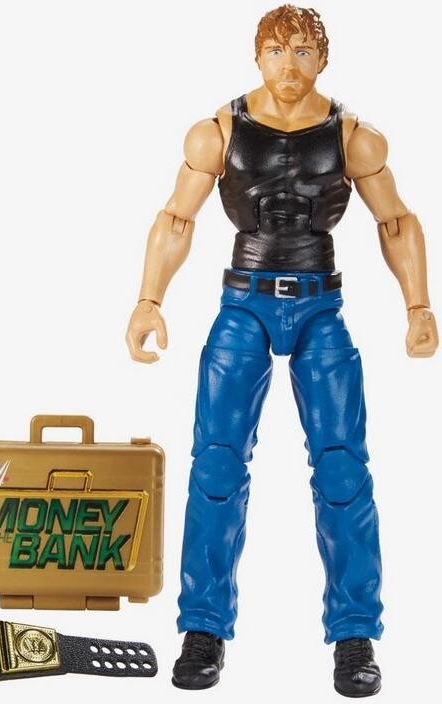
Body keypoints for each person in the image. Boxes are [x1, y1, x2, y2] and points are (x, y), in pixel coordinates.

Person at [125, 4, 438, 698]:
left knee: (342, 470)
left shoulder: (354, 138)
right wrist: (150, 299)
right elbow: (176, 217)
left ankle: (354, 635)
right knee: (216, 465)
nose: (288, 64)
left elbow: (396, 220)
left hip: (322, 306)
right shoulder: (219, 132)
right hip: (244, 304)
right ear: (257, 57)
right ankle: (203, 628)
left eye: (301, 50)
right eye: (275, 50)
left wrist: (418, 305)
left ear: (322, 59)